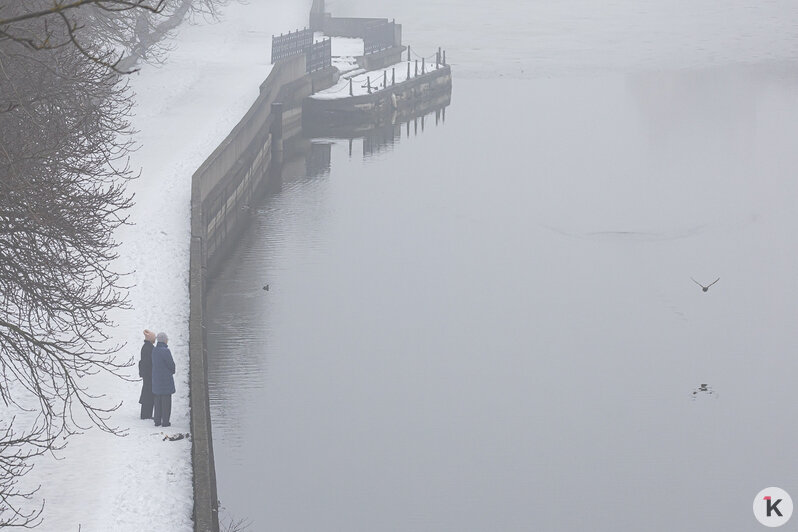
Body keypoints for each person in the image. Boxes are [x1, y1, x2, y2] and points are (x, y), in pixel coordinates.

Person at [151, 332, 176, 427]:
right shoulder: (166, 351)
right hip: (165, 380)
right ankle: (165, 422)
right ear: (164, 340)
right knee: (166, 403)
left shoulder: (154, 350)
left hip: (156, 379)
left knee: (157, 402)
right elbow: (171, 365)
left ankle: (157, 421)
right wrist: (172, 371)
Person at [138, 329, 156, 419]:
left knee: (146, 392)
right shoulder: (150, 348)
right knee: (148, 393)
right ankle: (146, 414)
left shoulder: (145, 347)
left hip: (146, 373)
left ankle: (145, 413)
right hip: (149, 374)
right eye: (154, 338)